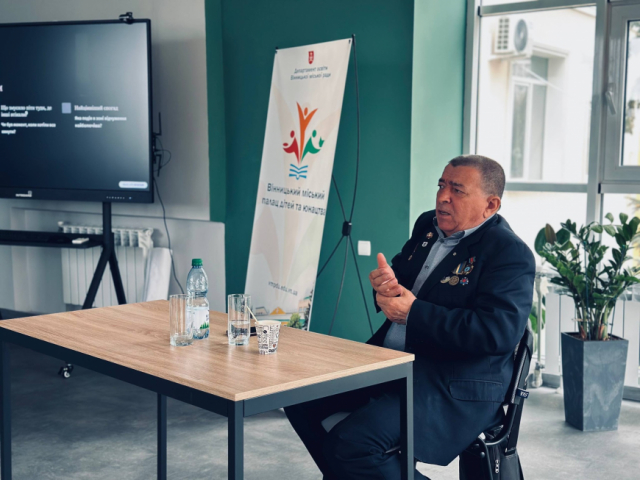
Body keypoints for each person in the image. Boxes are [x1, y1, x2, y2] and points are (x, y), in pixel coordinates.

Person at [285, 155, 535, 479]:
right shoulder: (427, 225)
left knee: (352, 445)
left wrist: (414, 313)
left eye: (457, 190)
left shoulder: (509, 252)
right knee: (299, 399)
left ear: (491, 205)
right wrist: (384, 286)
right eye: (441, 186)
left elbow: (496, 333)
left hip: (450, 383)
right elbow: (401, 277)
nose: (443, 197)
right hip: (390, 365)